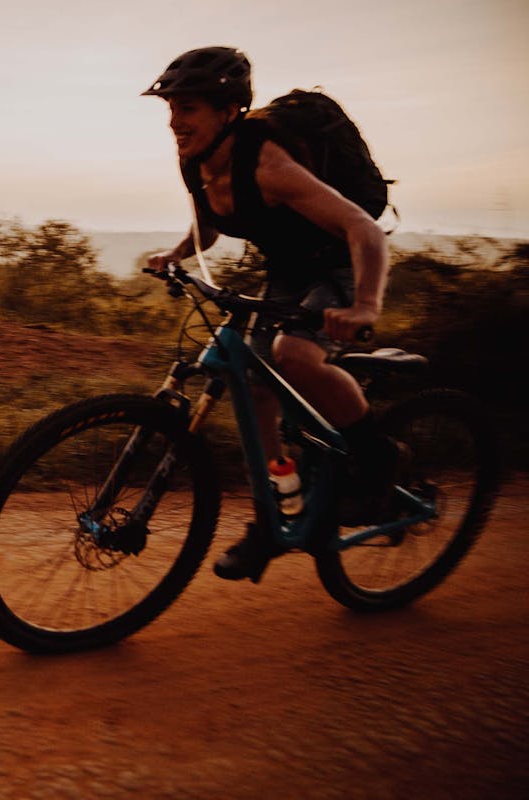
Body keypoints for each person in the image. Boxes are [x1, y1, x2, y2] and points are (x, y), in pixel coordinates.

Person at [142, 46, 400, 582]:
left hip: (341, 263)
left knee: (293, 354)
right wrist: (176, 254)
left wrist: (365, 305)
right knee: (254, 387)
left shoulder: (270, 165)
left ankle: (378, 459)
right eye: (171, 108)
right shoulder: (197, 161)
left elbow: (363, 229)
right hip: (289, 267)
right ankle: (274, 515)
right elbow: (210, 224)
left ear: (227, 111)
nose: (174, 121)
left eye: (187, 108)